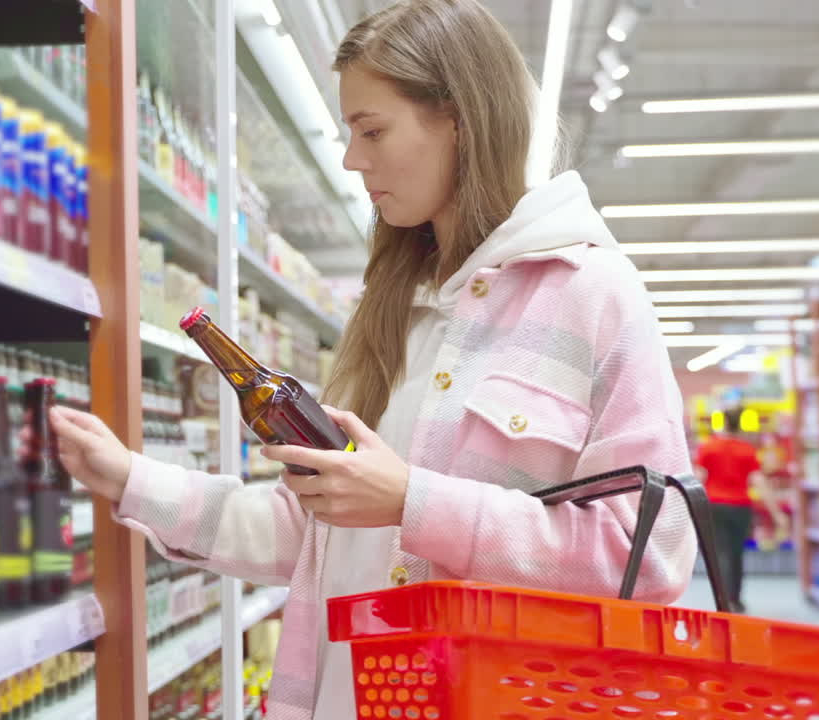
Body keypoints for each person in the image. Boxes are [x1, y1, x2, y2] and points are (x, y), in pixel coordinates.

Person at [50, 1, 696, 717]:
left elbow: (651, 557)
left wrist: (412, 502)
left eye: (372, 130)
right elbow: (308, 532)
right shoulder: (391, 311)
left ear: (458, 118)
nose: (354, 159)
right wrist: (128, 478)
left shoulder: (594, 295)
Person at [694, 424, 769, 614]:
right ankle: (736, 597)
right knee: (737, 553)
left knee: (720, 552)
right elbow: (758, 480)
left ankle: (723, 598)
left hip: (715, 505)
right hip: (741, 507)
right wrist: (775, 511)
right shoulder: (747, 449)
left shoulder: (709, 447)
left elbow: (699, 476)